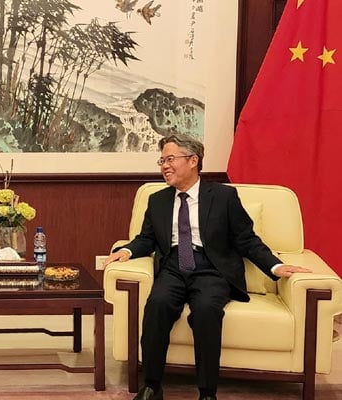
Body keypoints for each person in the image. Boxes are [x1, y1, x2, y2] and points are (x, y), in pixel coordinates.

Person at [102, 134, 310, 400]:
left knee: (205, 311)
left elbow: (247, 240)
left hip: (212, 268)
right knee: (157, 305)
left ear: (192, 161)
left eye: (170, 159)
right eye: (161, 160)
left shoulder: (224, 196)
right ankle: (152, 386)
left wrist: (276, 266)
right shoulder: (158, 200)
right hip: (173, 267)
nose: (164, 166)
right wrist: (126, 250)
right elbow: (147, 239)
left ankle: (207, 393)